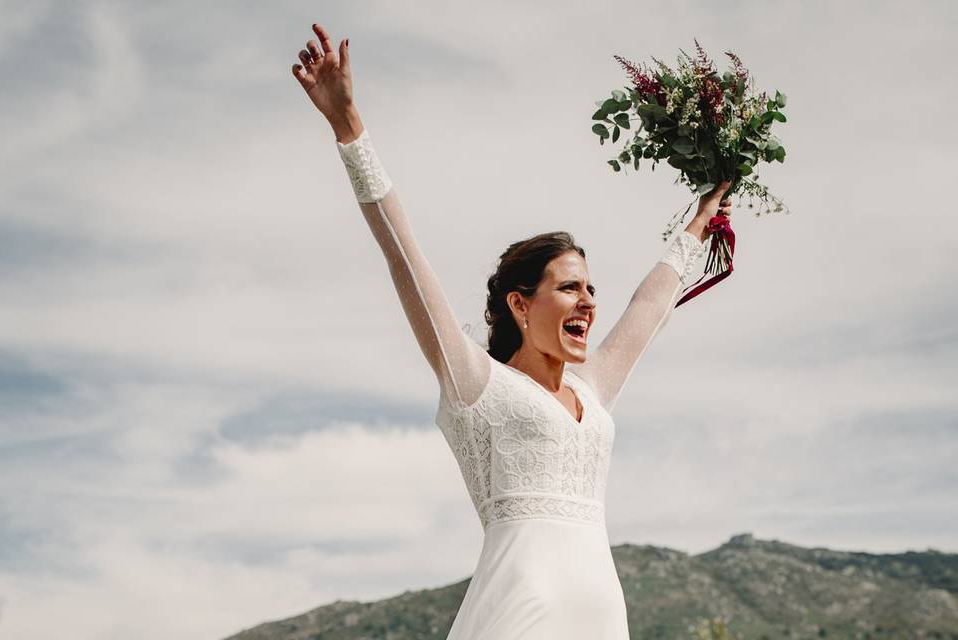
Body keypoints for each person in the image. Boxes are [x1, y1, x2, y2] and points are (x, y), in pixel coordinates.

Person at [292, 23, 732, 640]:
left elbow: (649, 307)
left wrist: (700, 222)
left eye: (591, 289)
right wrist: (349, 129)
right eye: (569, 287)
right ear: (521, 305)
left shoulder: (593, 390)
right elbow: (405, 259)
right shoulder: (479, 385)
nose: (588, 302)